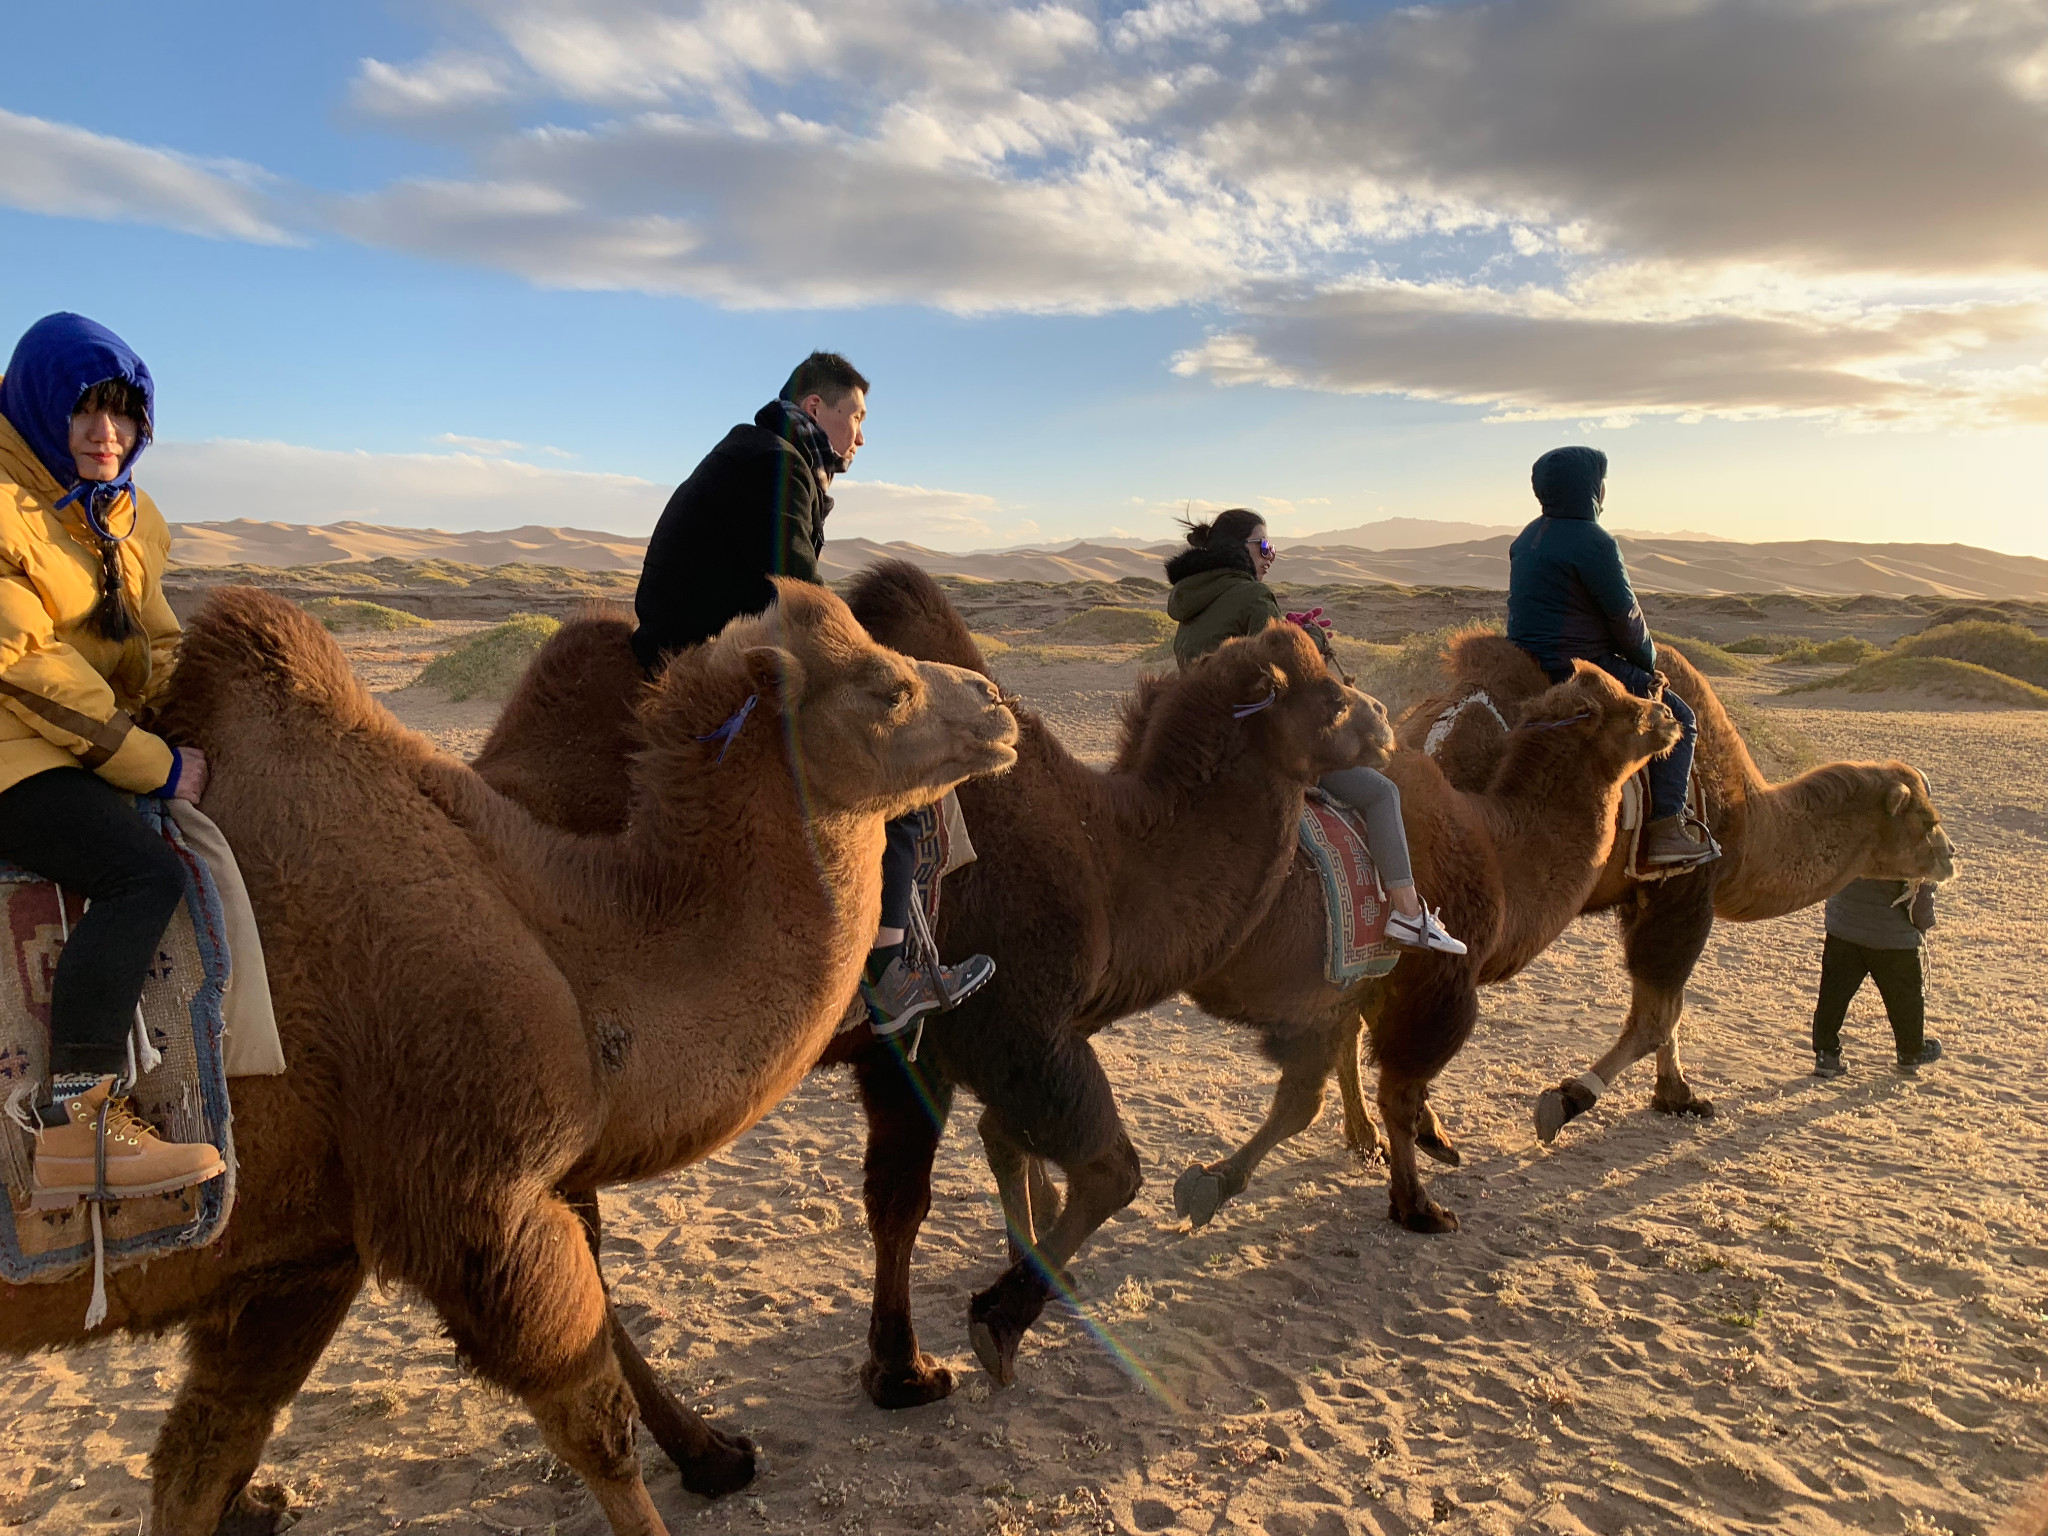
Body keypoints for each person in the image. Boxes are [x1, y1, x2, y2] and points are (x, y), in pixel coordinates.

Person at [632, 351, 995, 1037]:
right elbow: (799, 588)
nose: (860, 436)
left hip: (700, 648)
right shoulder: (776, 464)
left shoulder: (763, 455)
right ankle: (891, 969)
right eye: (854, 417)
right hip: (701, 666)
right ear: (813, 406)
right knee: (895, 771)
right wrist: (883, 665)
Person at [0, 313, 225, 1202]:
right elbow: (25, 667)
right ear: (38, 409)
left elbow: (155, 638)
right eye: (85, 413)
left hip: (82, 741)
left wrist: (187, 711)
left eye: (125, 416)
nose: (107, 435)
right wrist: (151, 763)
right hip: (15, 751)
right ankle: (78, 1125)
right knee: (142, 875)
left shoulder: (130, 513)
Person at [1165, 508, 1465, 955]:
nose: (1271, 555)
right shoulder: (1252, 597)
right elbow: (1297, 691)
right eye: (1263, 545)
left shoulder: (1191, 607)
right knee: (1382, 792)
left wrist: (1295, 634)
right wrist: (1314, 650)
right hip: (1265, 750)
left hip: (1213, 748)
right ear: (1238, 550)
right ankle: (1407, 912)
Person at [1506, 446, 1716, 868]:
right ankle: (1666, 829)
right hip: (1581, 666)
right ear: (1590, 489)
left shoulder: (1526, 537)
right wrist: (1646, 663)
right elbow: (1626, 617)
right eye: (1601, 482)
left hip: (1525, 660)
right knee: (1681, 719)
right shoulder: (1594, 542)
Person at [1812, 878, 1941, 1077]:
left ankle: (1825, 1054)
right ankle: (1910, 1051)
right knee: (1906, 999)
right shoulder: (1911, 846)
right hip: (1894, 938)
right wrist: (1925, 923)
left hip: (1844, 928)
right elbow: (1920, 900)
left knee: (1833, 995)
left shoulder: (1850, 844)